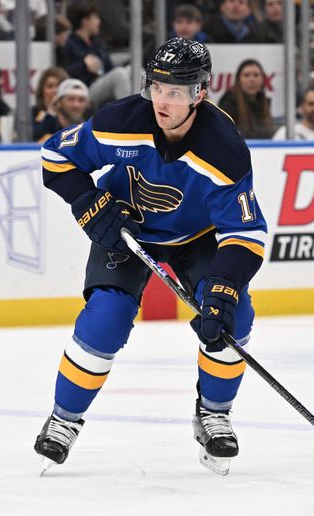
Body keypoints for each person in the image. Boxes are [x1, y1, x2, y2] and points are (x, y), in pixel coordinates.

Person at [34, 38, 267, 476]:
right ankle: (64, 419)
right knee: (106, 316)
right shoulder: (120, 121)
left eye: (174, 91)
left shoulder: (223, 148)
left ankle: (214, 412)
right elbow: (55, 155)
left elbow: (245, 233)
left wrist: (224, 287)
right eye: (156, 86)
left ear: (200, 93)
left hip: (195, 240)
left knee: (234, 318)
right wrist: (87, 200)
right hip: (125, 231)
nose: (161, 100)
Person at [63, 2, 130, 110]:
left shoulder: (97, 42)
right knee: (119, 74)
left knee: (132, 69)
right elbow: (64, 72)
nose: (98, 22)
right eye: (95, 18)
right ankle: (129, 116)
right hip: (85, 88)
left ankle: (145, 109)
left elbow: (109, 66)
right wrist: (84, 65)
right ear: (85, 21)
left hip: (102, 81)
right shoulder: (70, 43)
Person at [217, 59, 274, 139]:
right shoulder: (228, 103)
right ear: (238, 80)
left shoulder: (264, 102)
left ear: (262, 80)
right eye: (246, 75)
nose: (252, 80)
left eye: (256, 75)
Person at [33, 78, 90, 142]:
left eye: (81, 100)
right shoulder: (44, 130)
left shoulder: (90, 132)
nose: (76, 105)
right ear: (59, 102)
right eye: (71, 99)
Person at [31, 66, 69, 136]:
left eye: (59, 86)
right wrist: (51, 113)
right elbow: (34, 135)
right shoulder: (32, 112)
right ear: (42, 90)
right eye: (50, 86)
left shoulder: (74, 112)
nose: (55, 90)